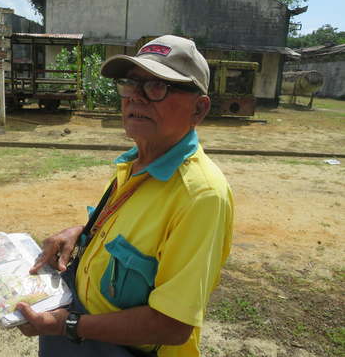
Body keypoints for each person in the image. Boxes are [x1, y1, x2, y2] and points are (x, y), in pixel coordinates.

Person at [16, 35, 233, 357]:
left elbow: (173, 326)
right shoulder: (135, 162)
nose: (136, 98)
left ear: (198, 109)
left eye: (157, 87)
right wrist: (81, 232)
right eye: (131, 84)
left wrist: (69, 325)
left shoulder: (201, 196)